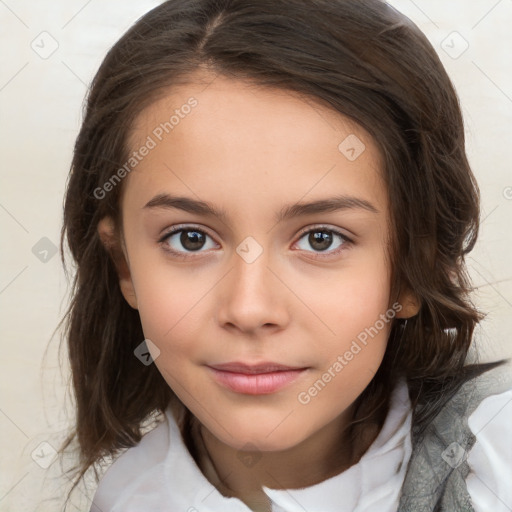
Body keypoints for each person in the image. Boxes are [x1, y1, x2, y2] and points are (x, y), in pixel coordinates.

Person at [57, 1, 512, 511]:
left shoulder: (496, 461)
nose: (250, 309)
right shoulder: (126, 498)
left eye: (321, 239)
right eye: (190, 239)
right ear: (124, 265)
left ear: (414, 267)